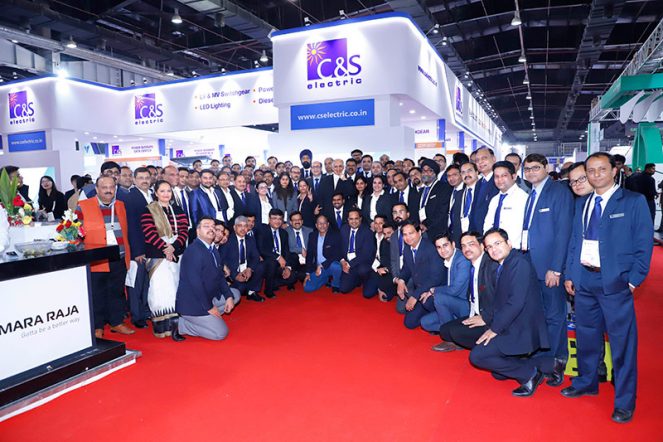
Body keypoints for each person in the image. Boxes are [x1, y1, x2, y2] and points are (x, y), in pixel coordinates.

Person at [563, 152, 653, 423]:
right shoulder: (583, 202)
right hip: (585, 280)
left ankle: (625, 401)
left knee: (622, 343)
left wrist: (633, 280)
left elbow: (643, 243)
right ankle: (587, 382)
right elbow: (575, 241)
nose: (596, 175)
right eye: (590, 170)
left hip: (615, 282)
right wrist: (571, 273)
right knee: (586, 336)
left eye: (601, 169)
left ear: (614, 171)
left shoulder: (633, 201)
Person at [468, 228, 550, 397]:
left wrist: (495, 329)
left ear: (509, 243)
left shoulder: (519, 263)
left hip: (521, 327)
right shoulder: (503, 264)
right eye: (489, 247)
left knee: (477, 357)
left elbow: (515, 303)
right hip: (510, 323)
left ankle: (531, 374)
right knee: (498, 373)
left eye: (497, 243)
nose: (493, 249)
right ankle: (546, 363)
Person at [521, 153, 574, 386]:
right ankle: (544, 355)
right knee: (540, 313)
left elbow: (564, 232)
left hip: (549, 267)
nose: (531, 172)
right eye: (527, 169)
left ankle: (557, 360)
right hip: (531, 264)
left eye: (535, 168)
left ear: (546, 168)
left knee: (555, 315)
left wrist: (556, 268)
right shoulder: (531, 193)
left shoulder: (559, 192)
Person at [76, 176, 134, 338]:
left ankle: (116, 322)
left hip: (119, 256)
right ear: (96, 189)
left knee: (117, 291)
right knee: (97, 293)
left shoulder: (120, 205)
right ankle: (97, 326)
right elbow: (75, 232)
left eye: (111, 187)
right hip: (96, 259)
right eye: (104, 187)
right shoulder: (83, 206)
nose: (108, 190)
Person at [435, 231, 499, 352]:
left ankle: (492, 344)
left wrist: (485, 317)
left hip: (489, 318)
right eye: (464, 246)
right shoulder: (473, 265)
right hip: (473, 311)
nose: (466, 249)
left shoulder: (490, 266)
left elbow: (501, 299)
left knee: (454, 333)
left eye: (471, 244)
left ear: (482, 246)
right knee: (444, 330)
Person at [140, 180, 189, 338]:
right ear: (156, 193)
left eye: (168, 191)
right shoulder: (148, 210)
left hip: (176, 253)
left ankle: (176, 328)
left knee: (175, 288)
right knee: (161, 290)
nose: (166, 194)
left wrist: (173, 247)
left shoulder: (178, 209)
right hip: (157, 255)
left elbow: (184, 231)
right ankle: (163, 328)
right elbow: (149, 233)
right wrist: (165, 248)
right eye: (162, 191)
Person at [393, 221, 445, 328]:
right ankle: (430, 314)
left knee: (427, 304)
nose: (408, 237)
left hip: (434, 290)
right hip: (420, 289)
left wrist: (415, 296)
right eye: (405, 234)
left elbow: (436, 278)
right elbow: (407, 268)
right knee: (409, 323)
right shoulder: (408, 247)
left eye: (411, 233)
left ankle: (443, 315)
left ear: (419, 232)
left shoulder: (431, 248)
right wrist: (401, 280)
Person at [419, 234, 471, 333]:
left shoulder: (462, 260)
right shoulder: (446, 259)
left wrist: (433, 290)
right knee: (425, 322)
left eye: (445, 245)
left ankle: (449, 332)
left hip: (464, 305)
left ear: (453, 244)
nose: (442, 250)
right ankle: (453, 327)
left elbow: (455, 290)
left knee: (438, 297)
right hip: (451, 302)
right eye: (439, 247)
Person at [483, 161, 528, 247]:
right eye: (496, 176)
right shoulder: (494, 199)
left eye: (504, 176)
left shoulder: (523, 198)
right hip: (493, 248)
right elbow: (487, 224)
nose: (499, 180)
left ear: (514, 176)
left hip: (513, 248)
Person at [256, 209, 297, 298]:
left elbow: (286, 251)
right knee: (272, 262)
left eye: (280, 219)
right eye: (274, 218)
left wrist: (287, 267)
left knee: (293, 277)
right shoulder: (262, 230)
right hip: (267, 262)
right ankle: (268, 290)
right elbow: (262, 249)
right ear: (269, 219)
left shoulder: (284, 233)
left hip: (281, 264)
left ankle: (273, 283)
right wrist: (278, 257)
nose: (277, 221)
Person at [223, 216, 265, 302]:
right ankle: (242, 288)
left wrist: (250, 268)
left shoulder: (250, 239)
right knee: (240, 289)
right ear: (234, 227)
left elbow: (255, 256)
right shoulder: (227, 240)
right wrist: (235, 275)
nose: (243, 229)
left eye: (245, 226)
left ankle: (251, 292)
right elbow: (222, 260)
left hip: (246, 269)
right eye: (240, 226)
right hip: (233, 272)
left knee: (260, 266)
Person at [339, 209, 377, 297]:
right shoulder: (343, 229)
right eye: (351, 219)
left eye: (356, 218)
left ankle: (366, 280)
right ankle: (357, 280)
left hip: (362, 262)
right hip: (347, 261)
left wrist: (349, 264)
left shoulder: (367, 232)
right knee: (343, 289)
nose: (354, 221)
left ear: (360, 219)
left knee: (362, 271)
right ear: (348, 219)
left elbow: (366, 254)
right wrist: (342, 261)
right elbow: (339, 247)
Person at [303, 214, 343, 293]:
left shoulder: (335, 235)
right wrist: (308, 273)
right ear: (316, 225)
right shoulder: (312, 236)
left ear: (328, 224)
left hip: (330, 265)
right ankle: (325, 279)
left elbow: (337, 255)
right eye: (320, 223)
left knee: (336, 266)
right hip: (318, 268)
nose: (322, 226)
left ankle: (335, 284)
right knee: (307, 288)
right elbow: (309, 255)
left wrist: (322, 265)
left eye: (324, 223)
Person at [418, 159, 452, 239]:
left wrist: (427, 225)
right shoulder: (421, 190)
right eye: (423, 170)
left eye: (429, 170)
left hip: (437, 232)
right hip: (422, 231)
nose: (425, 173)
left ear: (435, 173)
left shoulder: (443, 187)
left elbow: (442, 211)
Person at [472, 147, 500, 232]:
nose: (480, 162)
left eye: (484, 158)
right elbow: (474, 210)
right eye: (477, 160)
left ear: (494, 159)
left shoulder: (498, 181)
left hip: (492, 231)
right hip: (477, 232)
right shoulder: (479, 183)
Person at [286, 211, 313, 282]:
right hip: (294, 261)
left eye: (299, 219)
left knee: (306, 279)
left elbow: (313, 247)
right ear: (290, 222)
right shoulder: (285, 232)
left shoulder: (310, 231)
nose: (297, 222)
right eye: (294, 220)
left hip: (307, 260)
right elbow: (286, 248)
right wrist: (300, 249)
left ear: (302, 221)